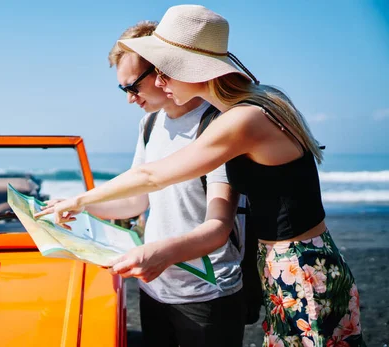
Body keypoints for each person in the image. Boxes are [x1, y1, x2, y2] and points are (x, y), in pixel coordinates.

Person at [36, 5, 365, 347]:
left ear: (192, 69)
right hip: (292, 263)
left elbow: (153, 176)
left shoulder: (240, 120)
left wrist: (81, 199)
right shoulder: (258, 102)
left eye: (165, 72)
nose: (161, 83)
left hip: (300, 269)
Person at [43, 20, 246, 347]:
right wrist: (76, 205)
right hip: (154, 287)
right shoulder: (150, 123)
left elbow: (218, 228)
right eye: (123, 89)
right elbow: (138, 198)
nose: (129, 99)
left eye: (132, 87)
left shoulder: (218, 123)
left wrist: (160, 253)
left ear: (165, 70)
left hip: (206, 293)